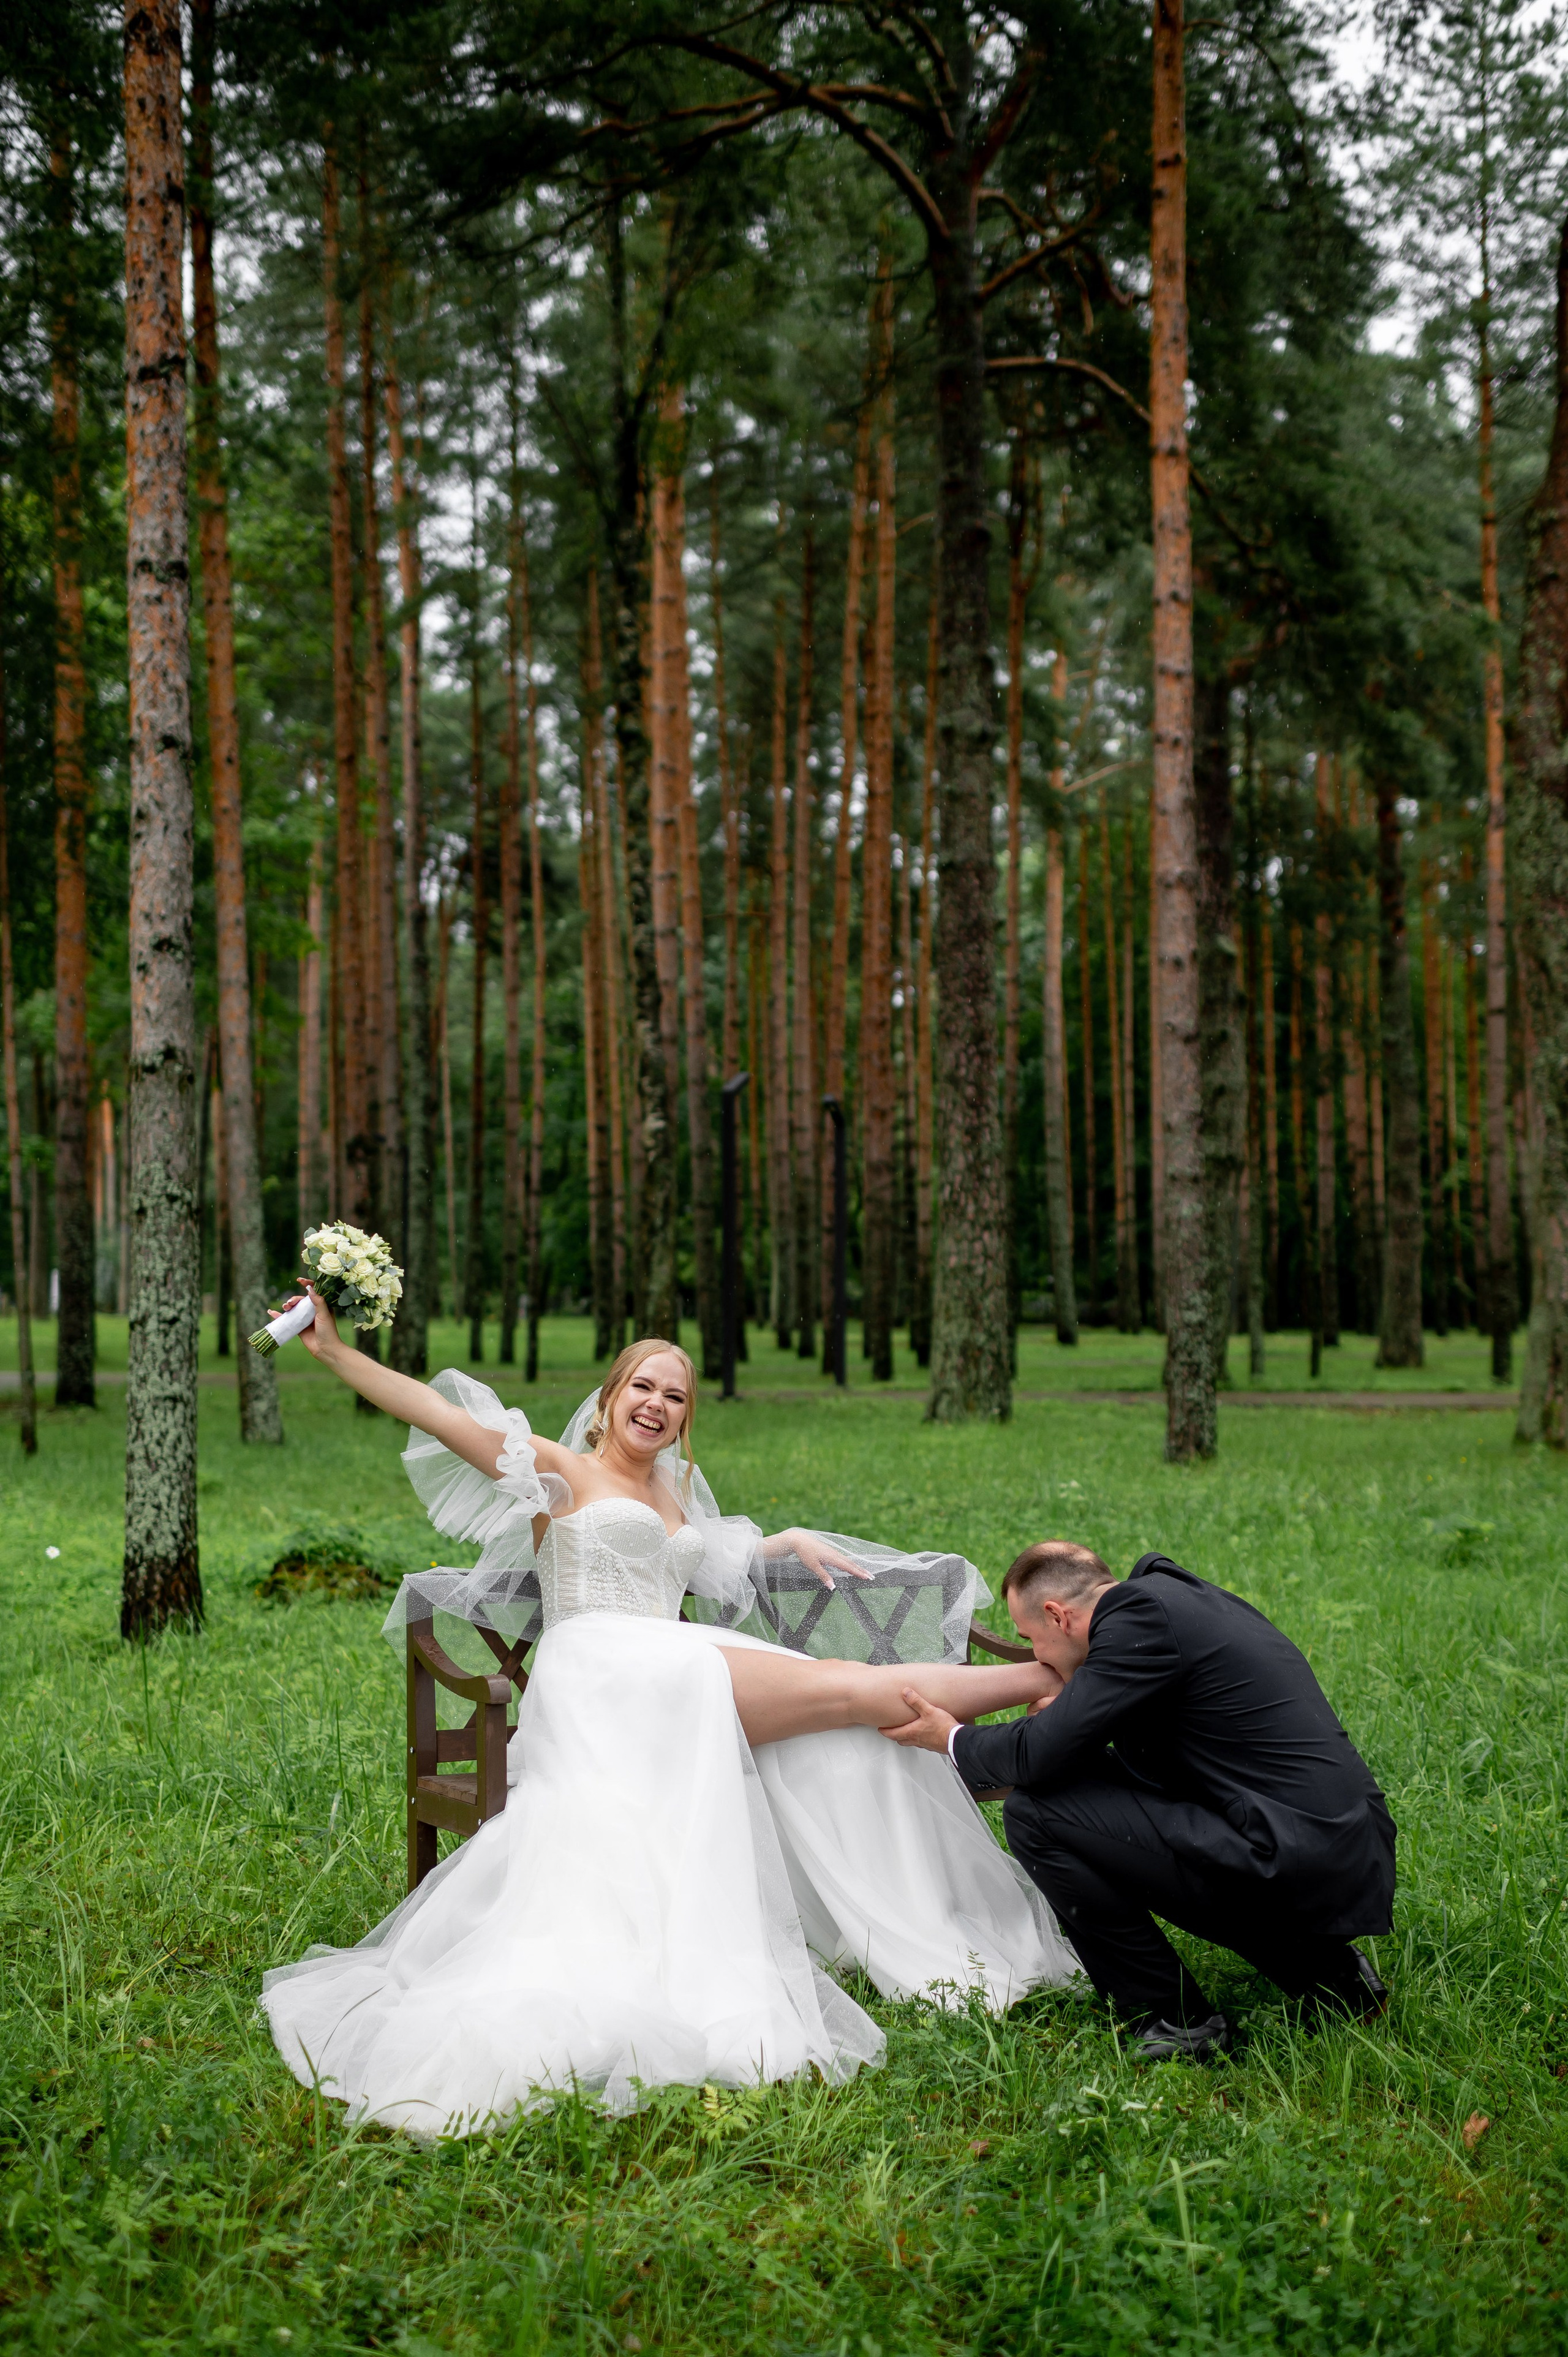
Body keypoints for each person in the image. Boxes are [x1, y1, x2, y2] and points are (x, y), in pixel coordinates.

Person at [261, 1311, 1083, 2135]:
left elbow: (702, 1553)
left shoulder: (674, 1491)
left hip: (669, 1661)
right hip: (604, 1670)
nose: (656, 1404)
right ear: (610, 1398)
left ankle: (1032, 1703)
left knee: (846, 1705)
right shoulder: (555, 1473)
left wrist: (784, 1540)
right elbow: (431, 1412)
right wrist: (333, 1351)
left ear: (687, 1418)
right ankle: (1054, 1676)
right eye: (643, 1387)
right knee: (850, 1691)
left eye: (675, 1397)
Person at [884, 1540, 1395, 2062]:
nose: (1035, 1655)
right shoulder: (1169, 1597)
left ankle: (1176, 2020)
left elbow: (1038, 1756)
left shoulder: (1139, 1622)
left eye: (1030, 1638)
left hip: (1294, 1860)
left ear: (1058, 1616)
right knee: (1076, 1787)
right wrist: (1076, 1706)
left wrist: (950, 1737)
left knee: (1036, 1814)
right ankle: (1331, 1977)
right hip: (1328, 1842)